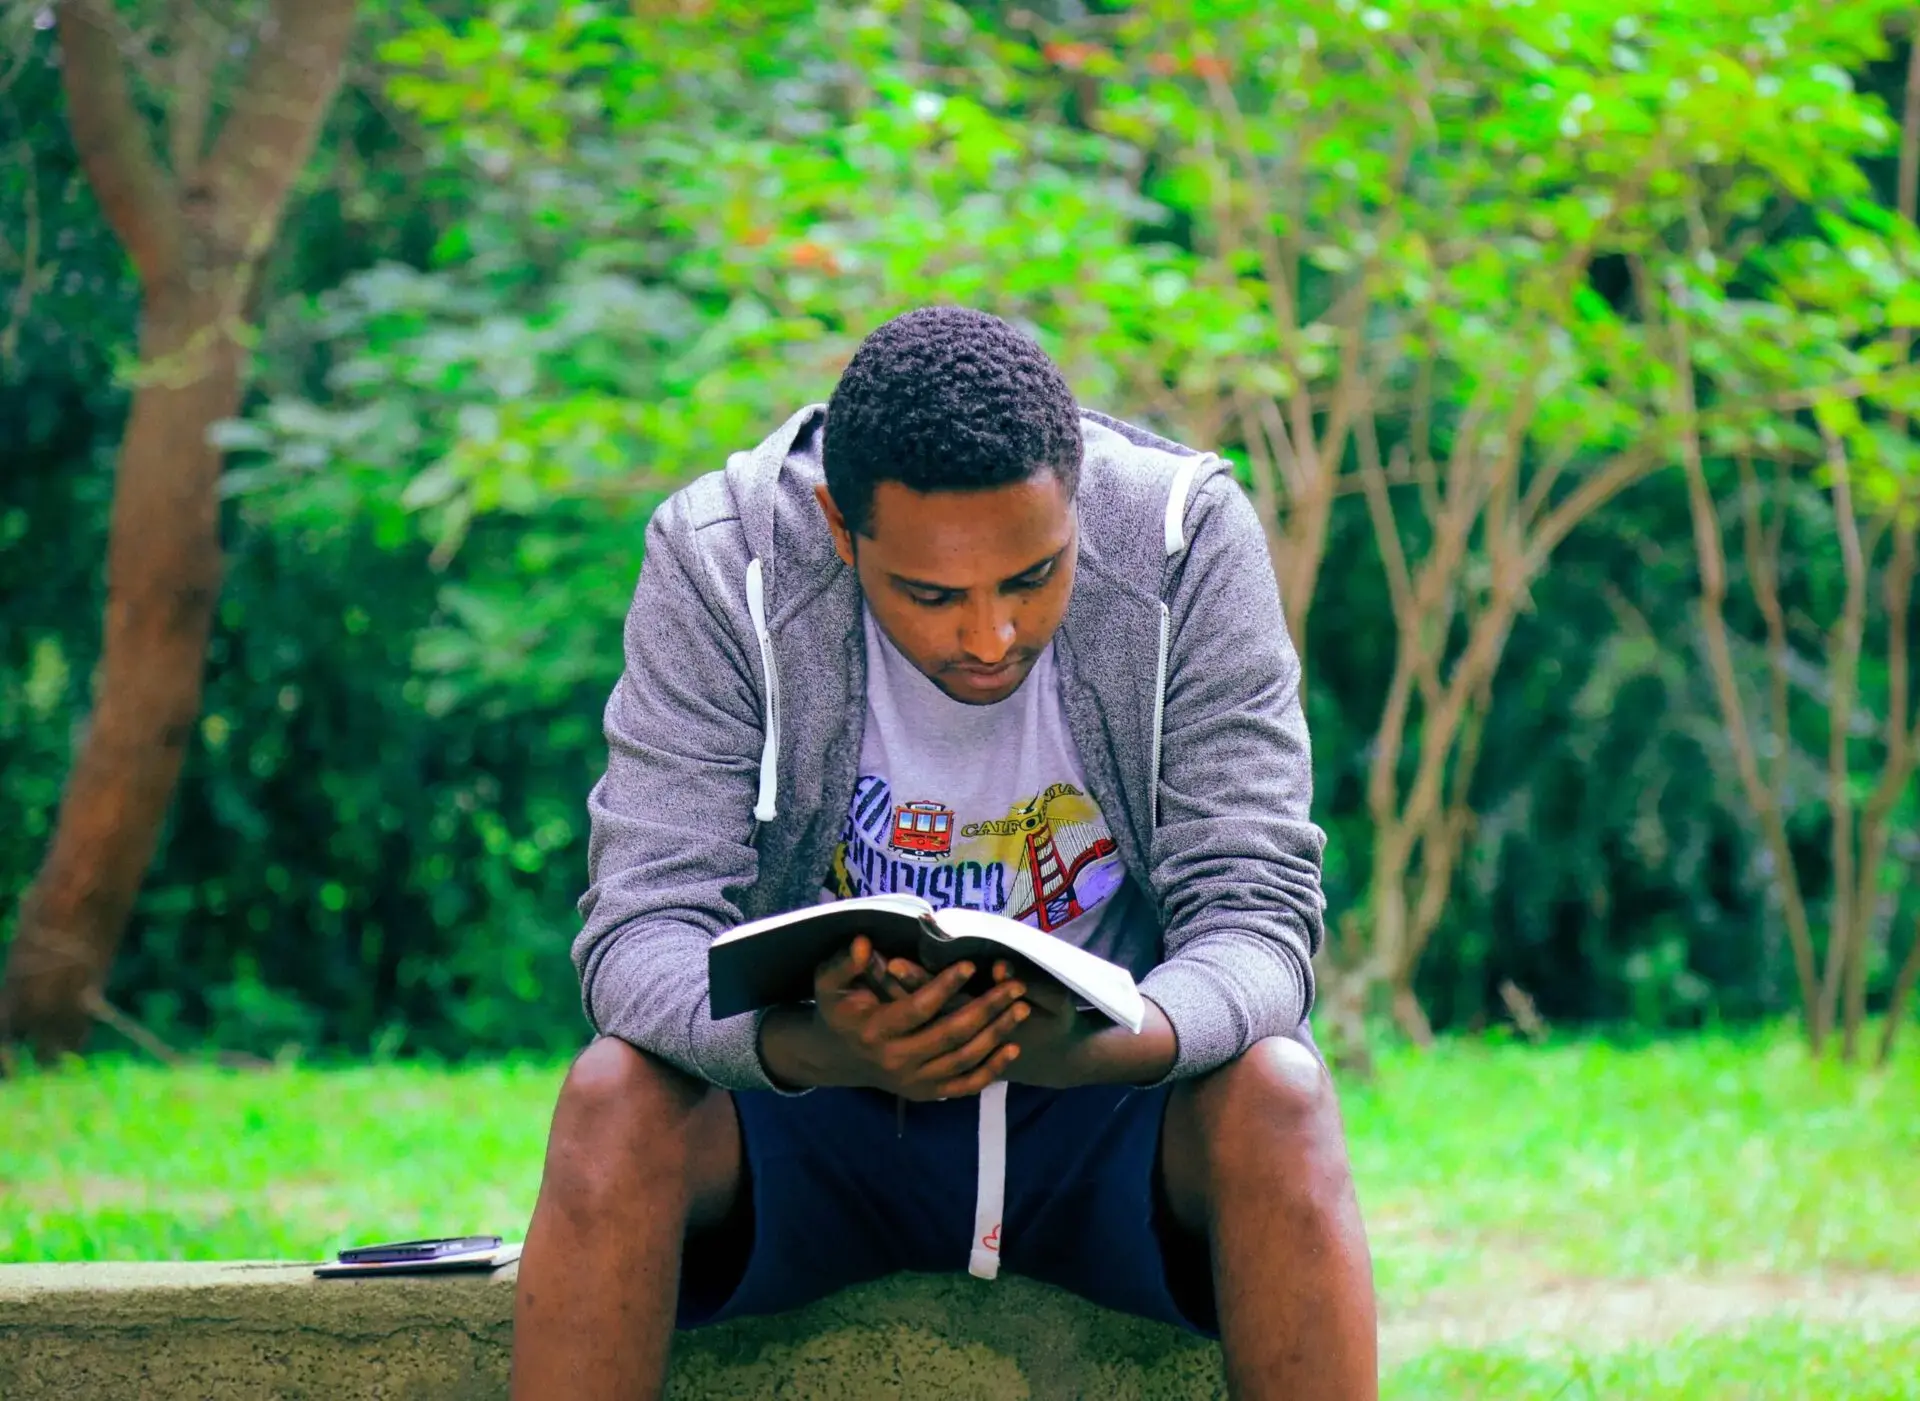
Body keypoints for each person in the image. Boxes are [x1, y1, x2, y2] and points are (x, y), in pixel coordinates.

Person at [510, 307, 1377, 1399]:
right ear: (839, 528)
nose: (989, 636)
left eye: (1033, 576)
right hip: (813, 1104)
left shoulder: (1181, 539)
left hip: (1109, 1104)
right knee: (612, 1099)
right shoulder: (723, 558)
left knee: (1283, 1094)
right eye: (930, 595)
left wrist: (1104, 1044)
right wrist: (814, 1046)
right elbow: (638, 933)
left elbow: (1259, 915)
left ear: (1078, 502)